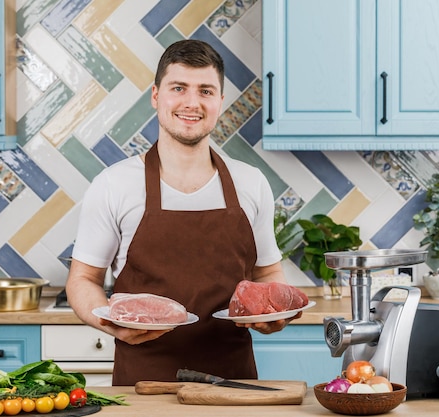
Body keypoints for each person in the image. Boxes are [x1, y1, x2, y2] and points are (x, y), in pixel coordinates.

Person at [65, 39, 301, 385]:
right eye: (179, 88)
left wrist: (275, 313)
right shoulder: (113, 184)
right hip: (143, 387)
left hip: (233, 386)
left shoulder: (251, 183)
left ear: (220, 101)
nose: (192, 103)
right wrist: (109, 322)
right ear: (156, 96)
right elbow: (83, 279)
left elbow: (268, 273)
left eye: (206, 91)